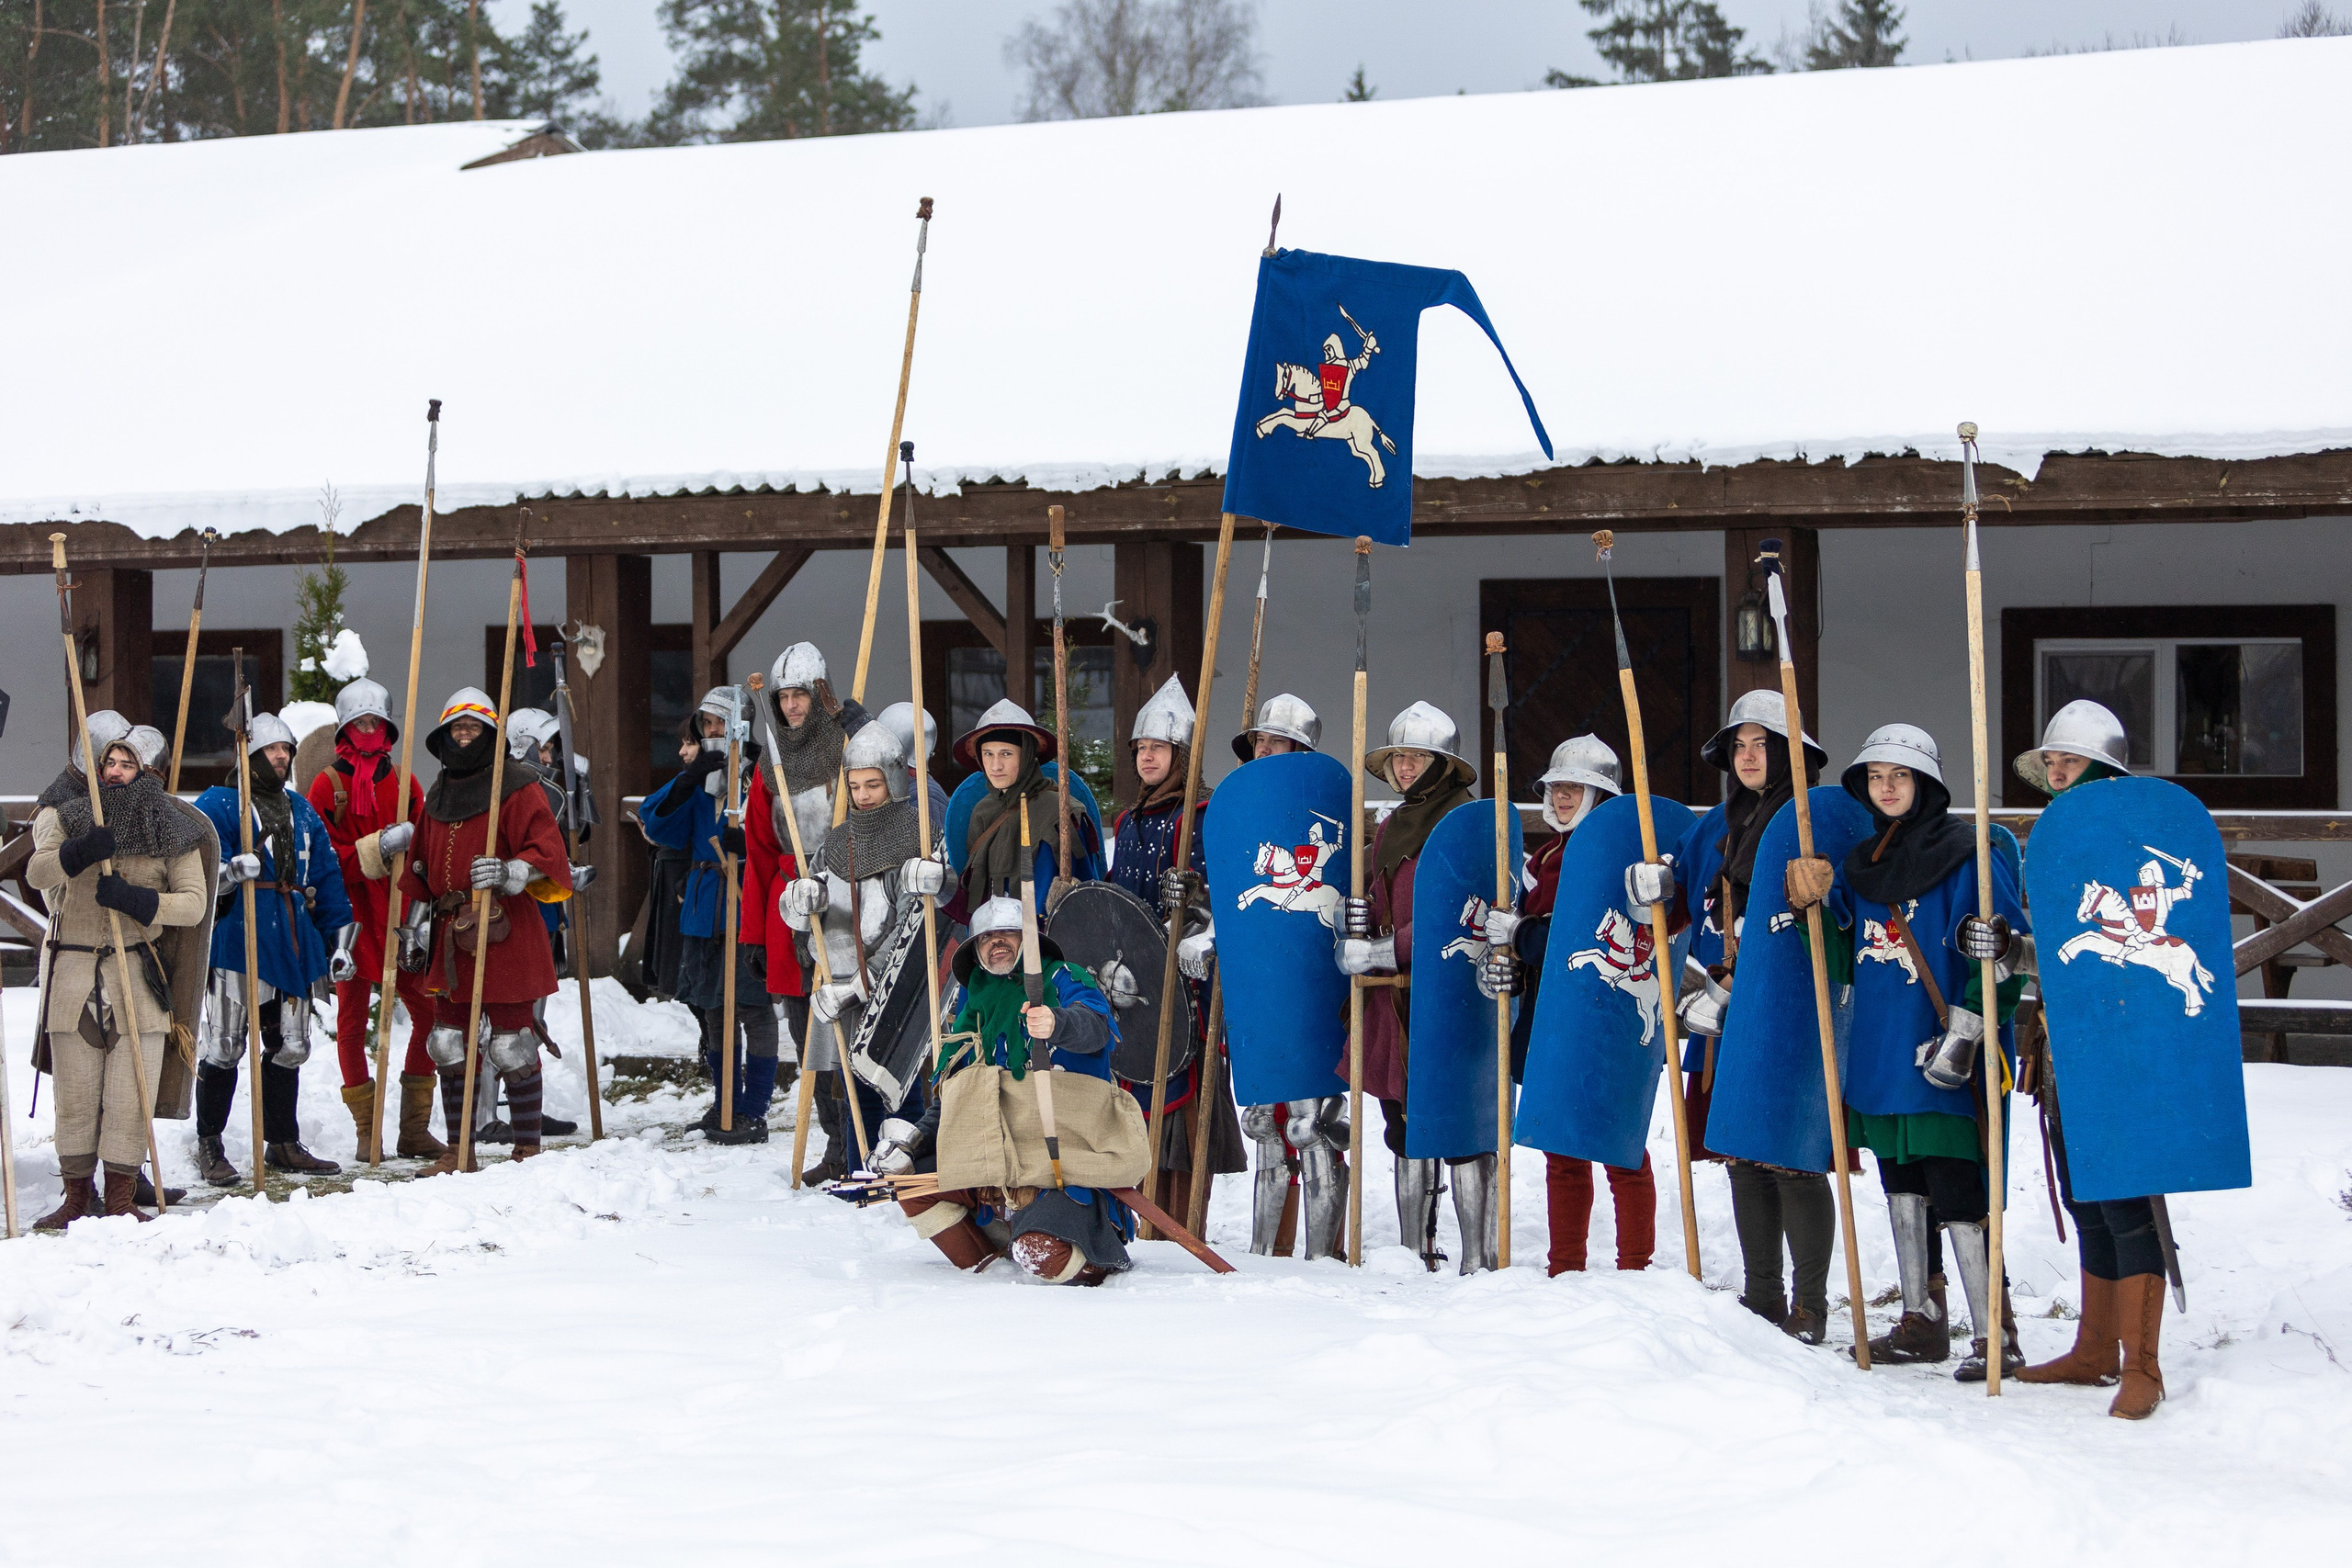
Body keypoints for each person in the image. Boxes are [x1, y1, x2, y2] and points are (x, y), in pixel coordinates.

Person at [1786, 723, 2028, 1382]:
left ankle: (1994, 1332)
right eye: (1875, 777)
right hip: (1881, 1050)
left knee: (1956, 1184)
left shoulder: (1969, 854)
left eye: (1899, 776)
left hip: (1944, 1048)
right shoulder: (1865, 863)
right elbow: (1845, 960)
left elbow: (2008, 952)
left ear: (1924, 783)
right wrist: (1815, 904)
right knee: (1902, 1183)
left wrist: (1973, 1029)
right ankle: (1921, 1318)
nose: (1886, 787)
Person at [1962, 698, 2170, 1418]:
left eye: (2067, 760)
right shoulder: (2053, 840)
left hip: (2121, 1039)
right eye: (2049, 760)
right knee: (2086, 1194)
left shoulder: (2132, 841)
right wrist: (2007, 948)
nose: (2054, 769)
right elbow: (2049, 952)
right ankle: (2094, 1349)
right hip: (2059, 1041)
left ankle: (2142, 1363)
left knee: (2126, 1195)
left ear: (2101, 769)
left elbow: (2141, 941)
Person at [1668, 690, 1838, 1341]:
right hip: (1737, 998)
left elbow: (1841, 912)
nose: (1745, 756)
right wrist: (1659, 880)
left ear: (1792, 753)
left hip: (1797, 1001)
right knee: (1743, 1152)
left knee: (1791, 1154)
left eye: (1760, 744)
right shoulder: (1726, 821)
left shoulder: (1812, 819)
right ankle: (1763, 1293)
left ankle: (1810, 1304)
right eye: (1737, 745)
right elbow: (1683, 887)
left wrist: (1823, 888)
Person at [869, 896, 1127, 1283]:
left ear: (1029, 939)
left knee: (1041, 1252)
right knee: (913, 1186)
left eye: (1008, 932)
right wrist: (911, 1143)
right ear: (976, 950)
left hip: (1063, 1158)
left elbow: (1095, 1028)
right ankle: (987, 1272)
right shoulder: (975, 1006)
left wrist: (1057, 1023)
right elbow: (956, 1095)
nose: (998, 942)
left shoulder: (1063, 978)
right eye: (987, 937)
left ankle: (1088, 1257)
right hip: (997, 1156)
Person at [1476, 734, 1658, 1275]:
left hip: (1609, 1015)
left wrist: (1524, 933)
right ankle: (1566, 1265)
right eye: (1556, 788)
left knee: (1622, 1146)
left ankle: (1636, 1266)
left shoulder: (1623, 858)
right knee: (1562, 1146)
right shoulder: (1545, 857)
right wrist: (1508, 958)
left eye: (1573, 788)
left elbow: (1579, 936)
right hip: (1551, 1016)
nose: (1560, 798)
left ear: (1600, 796)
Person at [27, 713, 215, 1224]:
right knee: (77, 1093)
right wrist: (79, 851)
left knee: (130, 1093)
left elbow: (195, 904)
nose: (113, 769)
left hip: (134, 976)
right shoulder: (70, 816)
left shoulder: (172, 829)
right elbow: (36, 870)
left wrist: (140, 900)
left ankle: (120, 1198)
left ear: (148, 773)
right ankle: (74, 1197)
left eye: (125, 763)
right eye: (108, 760)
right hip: (73, 974)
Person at [1334, 701, 1488, 1272]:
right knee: (1401, 1114)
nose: (1404, 767)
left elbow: (1460, 913)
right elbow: (1384, 898)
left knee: (1459, 1114)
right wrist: (1359, 922)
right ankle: (1414, 1246)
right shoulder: (1393, 827)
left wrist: (1386, 948)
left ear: (1442, 764)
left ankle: (1478, 1251)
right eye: (1399, 756)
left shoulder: (1468, 825)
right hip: (1394, 993)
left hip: (1452, 991)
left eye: (1418, 756)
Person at [397, 689, 574, 1172]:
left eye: (474, 729)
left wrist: (510, 871)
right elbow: (419, 869)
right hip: (451, 934)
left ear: (490, 736)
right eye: (458, 729)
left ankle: (527, 1147)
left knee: (510, 1043)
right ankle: (460, 1151)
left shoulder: (515, 787)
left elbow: (548, 852)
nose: (464, 736)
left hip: (506, 930)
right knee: (448, 1042)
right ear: (445, 736)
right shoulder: (438, 794)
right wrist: (412, 931)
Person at [1198, 691, 1347, 1257]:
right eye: (1258, 741)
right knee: (1266, 1125)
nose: (1263, 749)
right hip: (1261, 990)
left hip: (1312, 985)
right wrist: (1208, 934)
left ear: (1300, 750)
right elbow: (1234, 899)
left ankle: (1324, 1254)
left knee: (1314, 1126)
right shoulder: (1240, 816)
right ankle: (1265, 1253)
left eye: (1274, 741)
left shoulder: (1319, 816)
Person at [1104, 677, 1247, 1227]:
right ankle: (1140, 1216)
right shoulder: (1129, 820)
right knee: (1135, 1101)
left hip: (1186, 986)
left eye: (1158, 749)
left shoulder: (1202, 816)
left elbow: (1221, 900)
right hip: (1134, 983)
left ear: (1181, 756)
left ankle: (1183, 1223)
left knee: (1183, 1104)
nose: (1146, 758)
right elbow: (1117, 899)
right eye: (1141, 749)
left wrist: (1195, 919)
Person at [190, 710, 353, 1183]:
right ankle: (210, 1143)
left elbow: (326, 877)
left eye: (286, 750)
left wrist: (339, 942)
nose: (281, 757)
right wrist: (230, 872)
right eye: (270, 750)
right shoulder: (218, 804)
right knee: (223, 1045)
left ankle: (282, 1141)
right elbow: (195, 876)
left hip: (293, 936)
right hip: (236, 935)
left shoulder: (302, 810)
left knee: (293, 1047)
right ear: (248, 755)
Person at [777, 714, 940, 1161]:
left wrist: (858, 987)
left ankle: (902, 1180)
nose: (863, 795)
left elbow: (913, 932)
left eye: (873, 785)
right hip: (843, 976)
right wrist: (801, 897)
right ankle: (858, 1173)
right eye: (855, 786)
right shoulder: (837, 841)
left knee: (896, 1086)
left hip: (894, 991)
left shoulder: (917, 836)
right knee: (854, 1090)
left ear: (893, 781)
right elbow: (804, 919)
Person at [308, 678, 448, 1162]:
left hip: (400, 914)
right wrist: (372, 848)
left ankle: (413, 1129)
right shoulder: (329, 784)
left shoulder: (406, 782)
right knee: (350, 1022)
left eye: (376, 722)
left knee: (428, 1014)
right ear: (347, 727)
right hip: (352, 916)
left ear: (386, 727)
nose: (369, 730)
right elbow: (320, 856)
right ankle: (367, 1132)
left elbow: (425, 850)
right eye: (360, 722)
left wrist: (413, 849)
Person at [640, 687, 777, 1142]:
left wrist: (753, 847)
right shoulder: (699, 777)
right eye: (707, 724)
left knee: (753, 1009)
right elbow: (657, 825)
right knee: (714, 1008)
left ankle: (754, 1111)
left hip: (749, 899)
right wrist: (687, 780)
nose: (713, 732)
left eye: (720, 723)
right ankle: (724, 1106)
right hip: (705, 906)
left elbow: (790, 830)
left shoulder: (765, 770)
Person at [945, 698, 1102, 918]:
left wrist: (1067, 905)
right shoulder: (982, 812)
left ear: (1027, 754)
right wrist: (941, 885)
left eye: (1006, 753)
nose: (995, 765)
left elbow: (1089, 894)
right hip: (994, 943)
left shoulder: (1060, 814)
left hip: (1046, 943)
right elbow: (974, 903)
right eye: (988, 753)